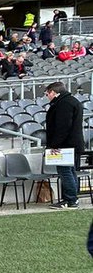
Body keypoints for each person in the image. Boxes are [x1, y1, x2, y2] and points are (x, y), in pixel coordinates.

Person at [45, 81, 84, 209]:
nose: (47, 97)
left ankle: (70, 199)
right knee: (70, 171)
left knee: (65, 171)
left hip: (65, 145)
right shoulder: (72, 101)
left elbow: (63, 127)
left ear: (53, 92)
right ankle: (72, 198)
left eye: (47, 94)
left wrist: (54, 144)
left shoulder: (64, 104)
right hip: (72, 143)